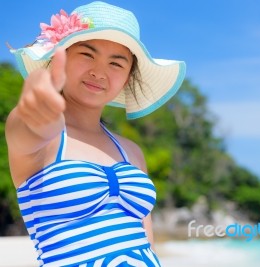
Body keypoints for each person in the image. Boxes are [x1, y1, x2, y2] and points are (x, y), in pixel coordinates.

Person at [5, 1, 185, 266]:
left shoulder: (131, 151)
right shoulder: (47, 139)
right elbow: (23, 131)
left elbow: (147, 241)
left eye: (116, 63)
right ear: (60, 58)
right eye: (87, 54)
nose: (99, 72)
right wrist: (32, 114)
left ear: (128, 77)